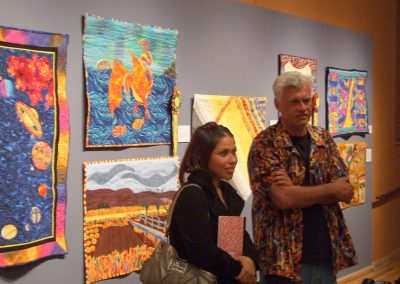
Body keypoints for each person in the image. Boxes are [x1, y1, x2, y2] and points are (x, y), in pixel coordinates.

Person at [247, 71, 358, 283]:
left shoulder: (322, 138)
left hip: (325, 251)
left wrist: (300, 192)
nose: (303, 107)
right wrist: (329, 189)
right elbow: (284, 198)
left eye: (307, 100)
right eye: (294, 102)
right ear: (278, 105)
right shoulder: (265, 144)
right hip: (282, 259)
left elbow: (345, 190)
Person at [169, 121, 259, 284]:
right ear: (204, 156)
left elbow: (240, 238)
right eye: (224, 153)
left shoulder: (226, 193)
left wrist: (251, 261)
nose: (233, 159)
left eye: (234, 152)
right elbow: (201, 252)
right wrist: (241, 271)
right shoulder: (192, 195)